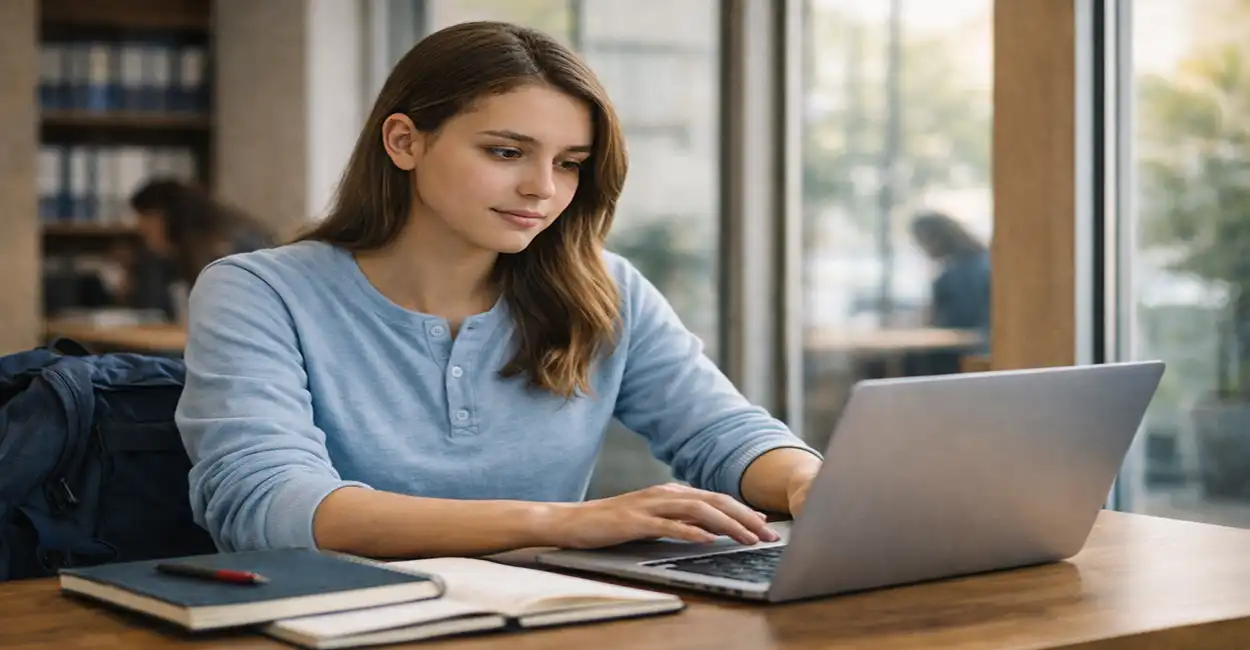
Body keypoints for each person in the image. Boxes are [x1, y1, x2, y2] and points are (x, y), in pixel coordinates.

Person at [175, 21, 822, 560]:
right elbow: (269, 507)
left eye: (569, 163)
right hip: (337, 623)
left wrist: (807, 482)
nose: (543, 188)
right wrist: (557, 523)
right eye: (507, 153)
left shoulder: (604, 287)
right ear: (404, 142)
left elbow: (723, 434)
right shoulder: (258, 292)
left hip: (547, 618)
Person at [117, 178, 272, 320]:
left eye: (148, 222)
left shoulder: (237, 250)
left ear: (172, 220)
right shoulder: (161, 258)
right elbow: (151, 310)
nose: (141, 230)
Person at [906, 210, 991, 374]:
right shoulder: (985, 261)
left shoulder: (950, 277)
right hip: (984, 348)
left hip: (961, 353)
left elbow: (939, 323)